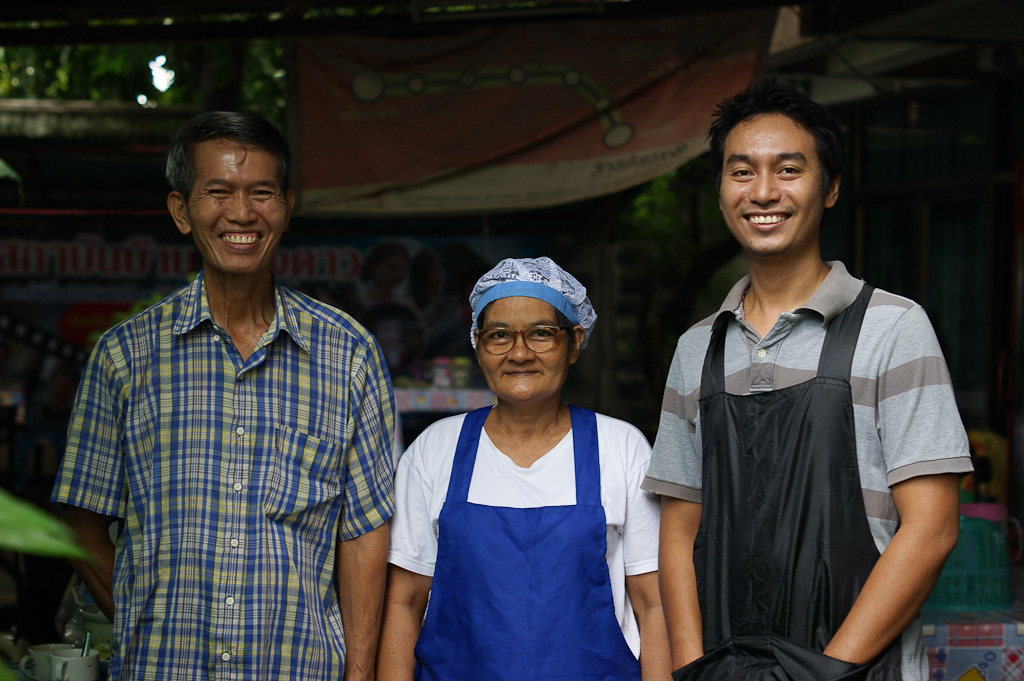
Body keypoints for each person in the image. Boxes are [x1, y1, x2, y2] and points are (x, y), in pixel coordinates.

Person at [642, 78, 973, 680]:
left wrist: (825, 673)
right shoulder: (698, 349)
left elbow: (932, 527)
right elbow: (678, 527)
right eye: (741, 172)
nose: (763, 192)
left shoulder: (893, 329)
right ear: (720, 191)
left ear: (831, 187)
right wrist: (690, 667)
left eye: (788, 169)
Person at [51, 111, 395, 681]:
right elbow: (80, 525)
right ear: (181, 211)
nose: (242, 213)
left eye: (262, 192)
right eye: (219, 193)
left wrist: (358, 675)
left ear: (286, 206)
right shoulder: (125, 358)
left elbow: (364, 533)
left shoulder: (347, 354)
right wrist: (141, 618)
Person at [377, 256, 670, 681]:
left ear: (574, 342)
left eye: (540, 334)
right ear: (477, 345)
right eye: (499, 336)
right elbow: (404, 602)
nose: (519, 353)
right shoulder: (434, 450)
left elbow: (654, 605)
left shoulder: (621, 448)